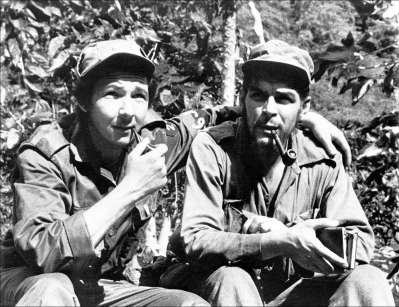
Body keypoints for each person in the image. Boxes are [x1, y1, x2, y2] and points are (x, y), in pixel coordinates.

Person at [0, 38, 352, 306]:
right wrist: (131, 188)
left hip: (107, 287)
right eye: (112, 95)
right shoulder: (46, 153)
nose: (127, 111)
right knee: (52, 290)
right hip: (30, 281)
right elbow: (45, 254)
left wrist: (302, 117)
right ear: (82, 101)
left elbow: (225, 114)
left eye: (138, 96)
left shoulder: (154, 142)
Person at [159, 40, 395, 306]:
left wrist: (301, 239)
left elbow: (361, 241)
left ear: (304, 108)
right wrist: (266, 236)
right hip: (219, 289)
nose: (269, 109)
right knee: (232, 279)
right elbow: (195, 239)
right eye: (258, 95)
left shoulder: (322, 160)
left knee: (368, 280)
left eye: (283, 99)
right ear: (242, 99)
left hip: (286, 294)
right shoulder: (213, 148)